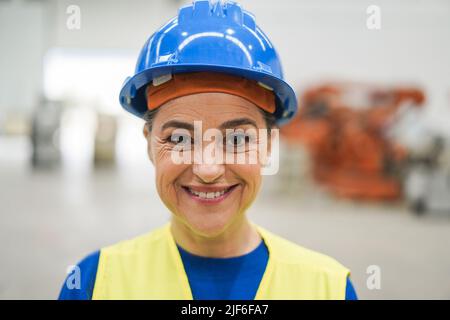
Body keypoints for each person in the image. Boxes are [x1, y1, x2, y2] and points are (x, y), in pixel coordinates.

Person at [59, 0, 357, 300]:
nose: (208, 169)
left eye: (238, 140)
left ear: (268, 145)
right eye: (179, 140)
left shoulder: (327, 288)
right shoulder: (94, 285)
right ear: (149, 143)